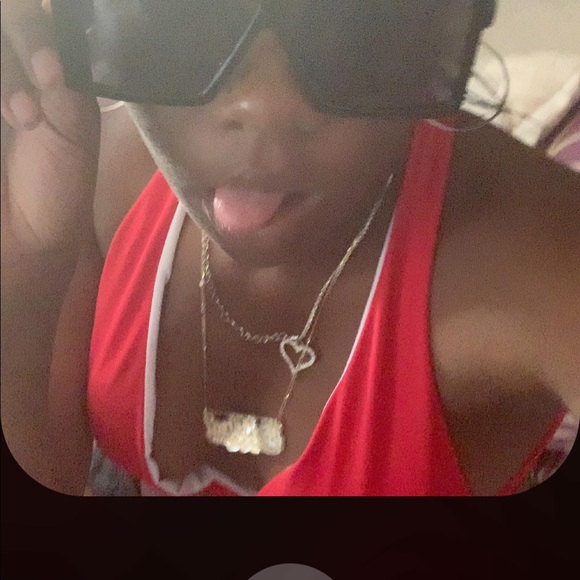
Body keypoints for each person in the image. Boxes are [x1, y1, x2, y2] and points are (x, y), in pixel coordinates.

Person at [1, 0, 578, 497]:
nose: (264, 101)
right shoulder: (89, 169)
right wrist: (26, 259)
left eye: (360, 18)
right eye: (186, 12)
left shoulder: (540, 260)